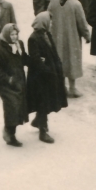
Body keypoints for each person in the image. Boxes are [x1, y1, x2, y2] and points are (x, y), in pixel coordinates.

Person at [27, 12, 68, 144]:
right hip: (40, 78)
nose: (51, 24)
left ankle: (37, 121)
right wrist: (49, 71)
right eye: (50, 21)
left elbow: (53, 52)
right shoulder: (33, 38)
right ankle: (43, 131)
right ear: (44, 22)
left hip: (49, 75)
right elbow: (36, 60)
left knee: (46, 101)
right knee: (43, 102)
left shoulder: (46, 34)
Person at [49, 0, 91, 98]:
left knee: (60, 60)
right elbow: (82, 23)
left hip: (56, 37)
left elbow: (48, 17)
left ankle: (62, 87)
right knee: (72, 61)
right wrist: (87, 36)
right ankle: (72, 88)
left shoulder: (53, 0)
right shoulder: (76, 4)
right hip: (72, 39)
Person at [0, 23, 30, 147]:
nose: (14, 37)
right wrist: (8, 79)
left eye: (16, 34)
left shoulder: (19, 44)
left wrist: (35, 61)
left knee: (18, 107)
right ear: (6, 34)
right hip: (7, 85)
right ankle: (9, 134)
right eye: (12, 34)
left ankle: (10, 131)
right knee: (12, 107)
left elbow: (24, 59)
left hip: (19, 81)